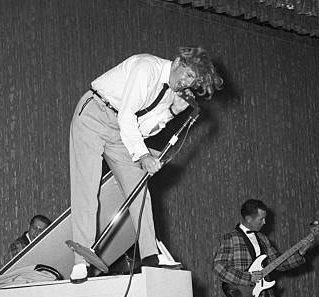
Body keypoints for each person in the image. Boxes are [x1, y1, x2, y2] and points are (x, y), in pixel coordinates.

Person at [69, 46, 223, 283]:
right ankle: (81, 261)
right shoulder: (146, 68)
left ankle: (150, 255)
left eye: (193, 82)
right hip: (94, 113)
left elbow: (143, 129)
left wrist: (172, 111)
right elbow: (127, 115)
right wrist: (142, 156)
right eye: (189, 75)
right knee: (87, 189)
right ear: (179, 61)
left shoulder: (173, 92)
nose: (187, 84)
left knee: (139, 188)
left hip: (120, 130)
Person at [213, 199, 316, 297]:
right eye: (261, 219)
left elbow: (279, 263)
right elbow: (219, 267)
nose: (265, 222)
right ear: (248, 219)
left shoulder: (263, 239)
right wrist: (248, 277)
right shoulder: (231, 238)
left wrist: (300, 253)